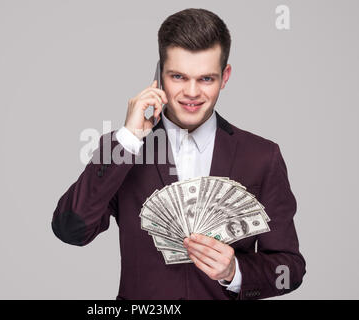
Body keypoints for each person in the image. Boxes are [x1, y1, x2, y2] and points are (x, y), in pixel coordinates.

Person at [51, 8, 306, 300]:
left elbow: (290, 270)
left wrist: (234, 271)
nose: (192, 92)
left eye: (206, 79)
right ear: (159, 75)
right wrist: (128, 139)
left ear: (225, 77)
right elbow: (69, 229)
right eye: (178, 77)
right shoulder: (125, 150)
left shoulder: (261, 156)